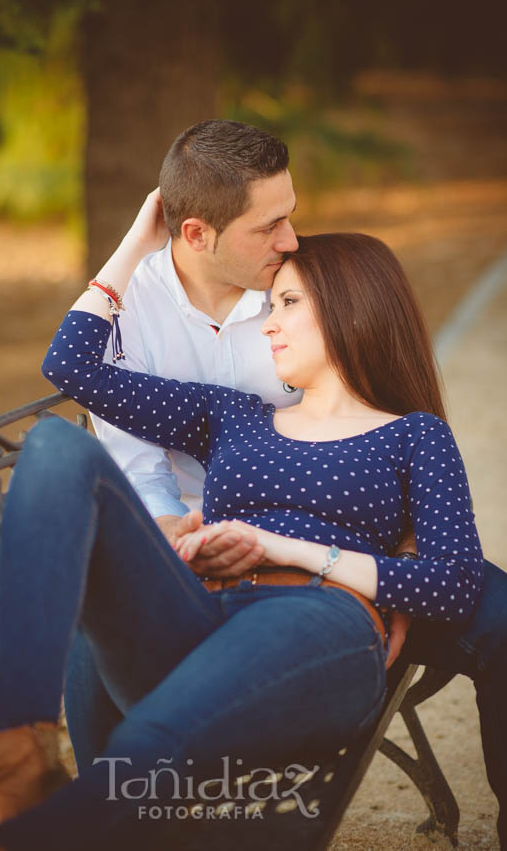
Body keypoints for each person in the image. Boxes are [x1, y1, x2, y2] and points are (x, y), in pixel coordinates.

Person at [0, 195, 484, 849]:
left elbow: (453, 584)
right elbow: (72, 367)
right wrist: (137, 242)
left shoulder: (413, 436)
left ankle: (28, 840)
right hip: (196, 611)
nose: (267, 325)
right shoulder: (233, 414)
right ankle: (17, 756)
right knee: (58, 446)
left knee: (154, 737)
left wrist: (287, 548)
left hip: (317, 620)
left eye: (287, 304)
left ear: (351, 304)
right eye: (269, 305)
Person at [66, 120, 507, 849]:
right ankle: (107, 815)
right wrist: (181, 535)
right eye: (269, 224)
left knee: (497, 614)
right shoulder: (153, 321)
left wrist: (381, 572)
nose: (290, 240)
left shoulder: (292, 282)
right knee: (105, 587)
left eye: (288, 216)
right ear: (199, 233)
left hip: (335, 562)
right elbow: (96, 403)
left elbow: (375, 427)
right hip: (208, 545)